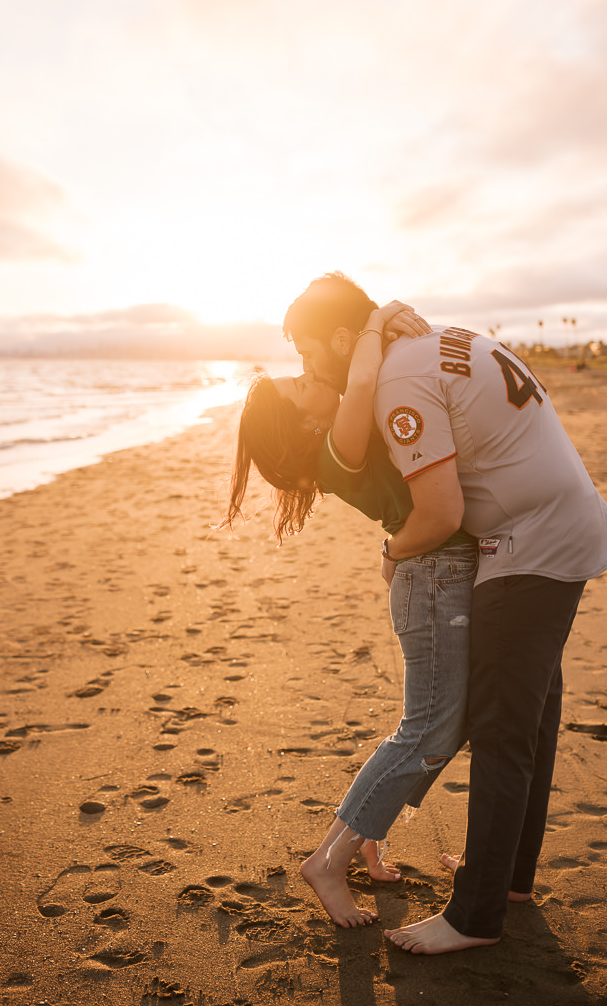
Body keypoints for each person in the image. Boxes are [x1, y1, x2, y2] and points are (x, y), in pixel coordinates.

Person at [282, 273, 607, 954]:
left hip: (528, 542)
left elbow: (439, 513)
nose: (308, 368)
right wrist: (379, 325)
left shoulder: (399, 380)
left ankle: (475, 915)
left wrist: (390, 550)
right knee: (530, 717)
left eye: (308, 352)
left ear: (343, 339)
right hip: (559, 525)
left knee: (500, 729)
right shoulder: (436, 342)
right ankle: (508, 877)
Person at [223, 299, 478, 927]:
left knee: (439, 724)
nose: (311, 376)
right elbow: (361, 377)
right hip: (431, 575)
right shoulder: (336, 451)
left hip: (435, 572)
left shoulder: (340, 439)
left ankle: (365, 835)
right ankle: (327, 862)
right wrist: (377, 318)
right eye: (300, 386)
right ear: (302, 426)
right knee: (427, 730)